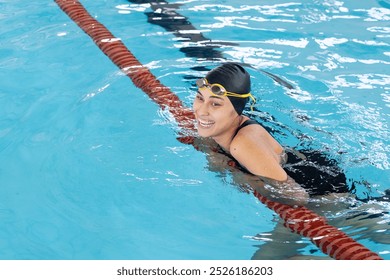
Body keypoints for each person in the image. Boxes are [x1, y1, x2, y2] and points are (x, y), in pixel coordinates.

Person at [192, 62, 352, 205]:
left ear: (237, 109)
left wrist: (245, 179)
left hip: (321, 188)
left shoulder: (242, 145)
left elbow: (296, 197)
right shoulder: (219, 129)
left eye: (215, 104)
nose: (202, 111)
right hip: (301, 163)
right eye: (200, 98)